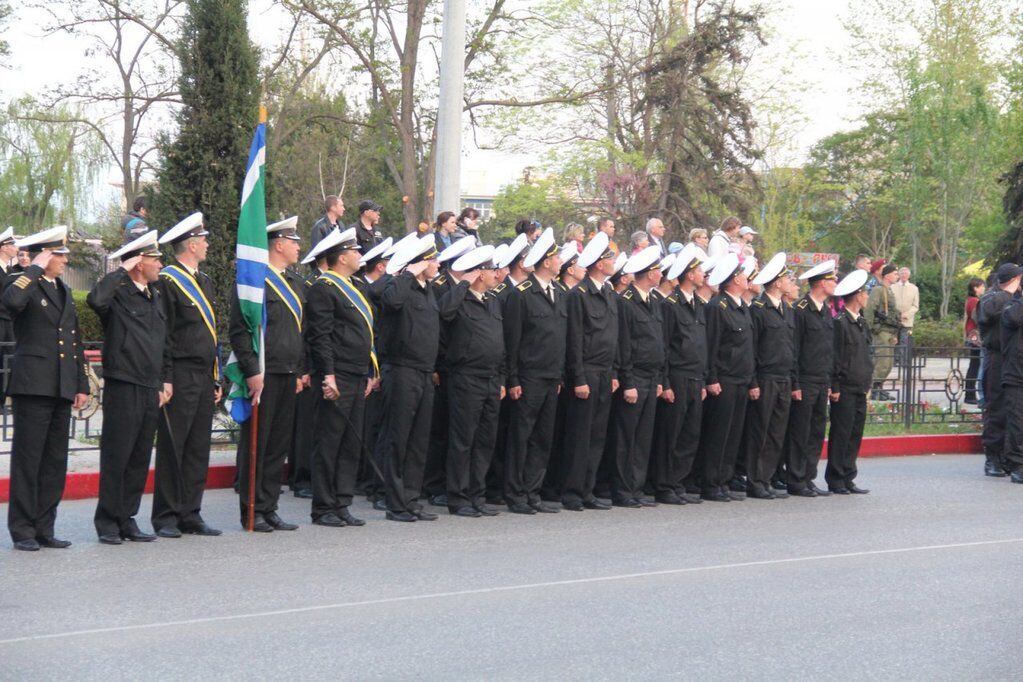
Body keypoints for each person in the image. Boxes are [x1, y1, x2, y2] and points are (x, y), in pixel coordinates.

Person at [3, 226, 89, 551]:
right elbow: (10, 302)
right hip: (33, 385)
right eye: (61, 255)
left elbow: (74, 341)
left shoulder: (63, 290)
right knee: (29, 460)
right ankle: (23, 530)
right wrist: (34, 267)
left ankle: (44, 527)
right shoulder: (22, 281)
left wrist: (81, 383)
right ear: (47, 255)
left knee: (54, 461)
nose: (65, 261)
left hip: (61, 386)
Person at [87, 230, 165, 544]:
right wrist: (120, 270)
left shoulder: (154, 295)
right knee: (117, 455)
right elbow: (95, 299)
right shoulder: (118, 294)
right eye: (155, 258)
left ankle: (127, 517)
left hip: (149, 385)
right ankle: (107, 520)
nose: (160, 264)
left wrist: (162, 381)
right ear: (138, 262)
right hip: (124, 383)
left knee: (138, 456)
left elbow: (163, 342)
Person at [229, 217, 306, 532]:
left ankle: (269, 505)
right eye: (294, 241)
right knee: (257, 445)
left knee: (277, 445)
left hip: (288, 372)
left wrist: (300, 370)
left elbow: (301, 331)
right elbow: (240, 331)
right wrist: (251, 370)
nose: (299, 246)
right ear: (279, 244)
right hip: (264, 373)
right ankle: (251, 509)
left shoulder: (295, 283)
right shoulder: (254, 282)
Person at [152, 212, 222, 538]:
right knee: (173, 446)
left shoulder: (204, 280)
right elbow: (164, 334)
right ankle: (166, 515)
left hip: (204, 376)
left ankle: (190, 512)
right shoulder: (168, 281)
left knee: (198, 447)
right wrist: (165, 377)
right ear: (191, 244)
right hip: (179, 373)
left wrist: (216, 376)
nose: (208, 244)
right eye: (204, 240)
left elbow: (210, 335)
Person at [305, 227, 377, 527]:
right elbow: (320, 336)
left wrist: (372, 370)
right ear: (343, 257)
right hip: (339, 375)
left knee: (350, 442)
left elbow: (364, 332)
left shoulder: (354, 285)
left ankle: (342, 501)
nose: (360, 256)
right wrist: (329, 375)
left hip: (358, 373)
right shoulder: (325, 288)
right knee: (330, 440)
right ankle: (323, 506)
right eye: (356, 251)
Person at [438, 245, 505, 517]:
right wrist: (462, 284)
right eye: (491, 270)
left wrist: (501, 377)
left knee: (485, 441)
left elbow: (501, 342)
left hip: (490, 378)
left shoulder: (493, 300)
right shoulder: (459, 299)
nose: (496, 275)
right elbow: (444, 312)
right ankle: (458, 497)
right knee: (463, 440)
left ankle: (477, 494)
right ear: (479, 273)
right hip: (466, 377)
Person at [377, 235, 441, 521]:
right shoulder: (397, 284)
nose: (437, 264)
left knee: (418, 440)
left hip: (424, 371)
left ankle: (411, 498)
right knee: (398, 438)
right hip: (401, 369)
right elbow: (389, 301)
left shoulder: (429, 290)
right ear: (420, 262)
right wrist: (408, 273)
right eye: (432, 259)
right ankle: (394, 502)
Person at [503, 230, 566, 515]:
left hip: (551, 376)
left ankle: (532, 491)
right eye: (556, 256)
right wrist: (513, 378)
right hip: (528, 377)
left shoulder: (560, 294)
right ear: (545, 261)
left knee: (543, 437)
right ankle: (515, 493)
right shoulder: (522, 295)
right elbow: (513, 340)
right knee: (521, 436)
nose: (560, 261)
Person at [561, 232, 619, 511]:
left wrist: (615, 374)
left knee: (597, 436)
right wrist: (579, 378)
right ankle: (572, 491)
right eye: (609, 258)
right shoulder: (578, 295)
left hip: (605, 373)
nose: (613, 262)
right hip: (587, 374)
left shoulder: (608, 293)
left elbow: (613, 337)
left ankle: (588, 489)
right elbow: (574, 341)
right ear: (598, 263)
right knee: (580, 437)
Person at [652, 245, 707, 505]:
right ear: (688, 274)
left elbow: (701, 344)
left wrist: (705, 379)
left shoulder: (698, 305)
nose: (703, 274)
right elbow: (664, 346)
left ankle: (678, 482)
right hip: (678, 377)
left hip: (696, 377)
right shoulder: (670, 305)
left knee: (690, 434)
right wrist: (666, 382)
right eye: (698, 270)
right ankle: (664, 485)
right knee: (671, 435)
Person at [611, 245, 665, 508]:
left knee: (643, 437)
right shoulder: (626, 302)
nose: (661, 273)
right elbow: (624, 345)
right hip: (634, 378)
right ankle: (623, 489)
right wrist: (628, 382)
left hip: (651, 377)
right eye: (658, 269)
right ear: (648, 273)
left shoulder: (654, 301)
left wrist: (659, 379)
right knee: (627, 437)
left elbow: (659, 342)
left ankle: (636, 487)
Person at [696, 253, 753, 502]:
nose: (746, 278)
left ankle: (724, 480)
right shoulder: (717, 308)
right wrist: (712, 378)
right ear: (733, 280)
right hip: (724, 379)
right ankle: (710, 482)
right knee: (718, 434)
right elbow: (712, 346)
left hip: (741, 378)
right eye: (742, 275)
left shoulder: (741, 307)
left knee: (733, 434)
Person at [744, 252, 794, 500]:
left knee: (776, 432)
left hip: (783, 378)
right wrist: (753, 381)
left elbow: (790, 348)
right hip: (765, 378)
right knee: (760, 432)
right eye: (786, 277)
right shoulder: (759, 310)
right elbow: (752, 349)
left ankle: (766, 478)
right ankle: (755, 481)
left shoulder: (786, 309)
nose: (789, 281)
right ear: (776, 282)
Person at [786, 259, 837, 497]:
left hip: (821, 379)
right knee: (800, 431)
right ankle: (796, 479)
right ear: (820, 283)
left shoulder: (826, 311)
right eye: (831, 280)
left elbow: (828, 350)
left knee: (816, 431)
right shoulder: (801, 310)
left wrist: (829, 382)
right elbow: (794, 349)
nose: (835, 283)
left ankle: (808, 477)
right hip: (805, 380)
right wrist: (795, 383)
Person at [827, 269, 874, 494]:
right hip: (844, 387)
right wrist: (834, 385)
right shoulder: (840, 322)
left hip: (859, 386)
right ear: (857, 295)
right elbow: (836, 357)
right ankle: (835, 478)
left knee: (855, 433)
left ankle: (848, 475)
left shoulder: (861, 322)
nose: (867, 297)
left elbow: (865, 355)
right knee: (841, 433)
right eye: (865, 293)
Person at [976, 263, 1022, 477]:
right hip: (995, 358)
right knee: (997, 408)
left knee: (1014, 412)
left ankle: (1009, 457)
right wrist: (1008, 291)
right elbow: (989, 313)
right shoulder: (991, 297)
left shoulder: (1016, 299)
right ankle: (992, 458)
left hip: (1013, 359)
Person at [865, 263, 900, 399]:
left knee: (889, 363)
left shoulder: (889, 290)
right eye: (895, 273)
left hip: (889, 331)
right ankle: (874, 390)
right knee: (882, 362)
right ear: (887, 275)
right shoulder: (878, 290)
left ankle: (879, 388)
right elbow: (869, 311)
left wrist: (895, 334)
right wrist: (871, 330)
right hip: (881, 332)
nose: (897, 276)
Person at [0, 226, 19, 399]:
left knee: (10, 359)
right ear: (4, 247)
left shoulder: (11, 272)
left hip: (10, 321)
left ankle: (5, 395)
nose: (16, 248)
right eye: (12, 245)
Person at [964, 277, 985, 405]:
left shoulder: (970, 300)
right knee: (974, 365)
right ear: (975, 288)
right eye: (981, 286)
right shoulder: (975, 301)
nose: (983, 288)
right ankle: (970, 394)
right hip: (975, 337)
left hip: (971, 335)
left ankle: (970, 393)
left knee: (974, 365)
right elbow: (978, 318)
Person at [891, 267, 919, 349]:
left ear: (909, 276)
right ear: (899, 275)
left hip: (907, 321)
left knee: (904, 343)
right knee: (893, 342)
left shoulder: (914, 288)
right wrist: (896, 314)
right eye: (902, 273)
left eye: (906, 274)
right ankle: (894, 361)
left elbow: (915, 306)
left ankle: (903, 361)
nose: (904, 275)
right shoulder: (892, 287)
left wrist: (907, 314)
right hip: (893, 320)